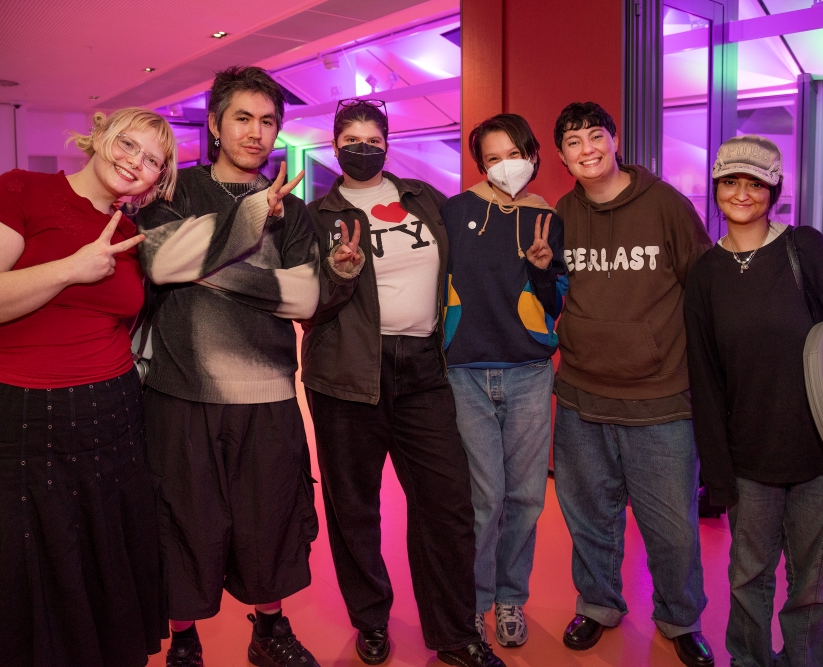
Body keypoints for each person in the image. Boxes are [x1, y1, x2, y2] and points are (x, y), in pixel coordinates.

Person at [0, 107, 177, 667]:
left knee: (97, 567)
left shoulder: (133, 233)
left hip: (108, 417)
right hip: (5, 418)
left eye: (153, 162)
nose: (136, 163)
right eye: (129, 145)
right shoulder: (20, 189)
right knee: (10, 575)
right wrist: (69, 268)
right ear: (98, 137)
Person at [685, 135, 823, 667]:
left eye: (756, 184)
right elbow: (706, 377)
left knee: (812, 586)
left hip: (822, 458)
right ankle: (749, 661)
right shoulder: (705, 273)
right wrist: (717, 473)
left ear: (775, 191)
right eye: (731, 182)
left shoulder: (805, 250)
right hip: (749, 462)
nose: (742, 193)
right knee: (747, 581)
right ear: (716, 188)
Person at [135, 65, 338, 667]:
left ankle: (269, 629)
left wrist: (206, 262)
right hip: (179, 389)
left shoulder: (295, 212)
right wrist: (244, 248)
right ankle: (185, 637)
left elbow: (306, 297)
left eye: (269, 121)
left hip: (268, 391)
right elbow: (161, 263)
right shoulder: (174, 191)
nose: (257, 131)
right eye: (243, 118)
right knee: (182, 520)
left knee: (269, 520)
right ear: (217, 126)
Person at [302, 99, 505, 667]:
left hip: (424, 370)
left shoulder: (424, 198)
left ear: (388, 144)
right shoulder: (316, 216)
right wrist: (340, 270)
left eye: (373, 138)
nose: (362, 147)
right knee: (355, 508)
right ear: (335, 144)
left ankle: (454, 631)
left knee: (446, 504)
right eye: (351, 138)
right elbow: (307, 305)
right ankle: (370, 621)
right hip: (345, 373)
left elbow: (472, 255)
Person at [551, 101, 715, 667]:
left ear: (614, 140)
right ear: (562, 156)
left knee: (671, 528)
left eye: (596, 136)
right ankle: (597, 605)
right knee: (588, 516)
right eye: (573, 142)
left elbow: (705, 292)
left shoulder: (666, 205)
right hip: (580, 395)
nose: (587, 149)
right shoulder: (561, 214)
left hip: (662, 399)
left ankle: (680, 617)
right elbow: (550, 289)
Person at [440, 113, 566, 648]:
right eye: (492, 157)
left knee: (526, 497)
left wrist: (541, 269)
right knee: (483, 498)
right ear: (480, 165)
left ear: (533, 155)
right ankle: (475, 601)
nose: (505, 165)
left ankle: (512, 600)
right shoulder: (454, 212)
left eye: (514, 153)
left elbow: (556, 301)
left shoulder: (549, 219)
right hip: (465, 371)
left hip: (531, 372)